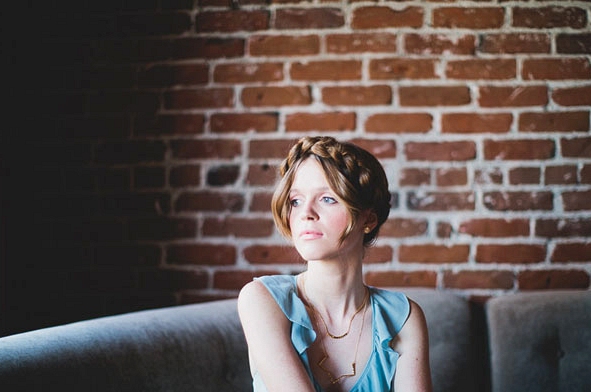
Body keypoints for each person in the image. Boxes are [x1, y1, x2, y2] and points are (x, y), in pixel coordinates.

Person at [237, 136, 432, 392]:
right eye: (295, 201)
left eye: (327, 198)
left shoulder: (403, 319)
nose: (306, 212)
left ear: (368, 219)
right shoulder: (262, 300)